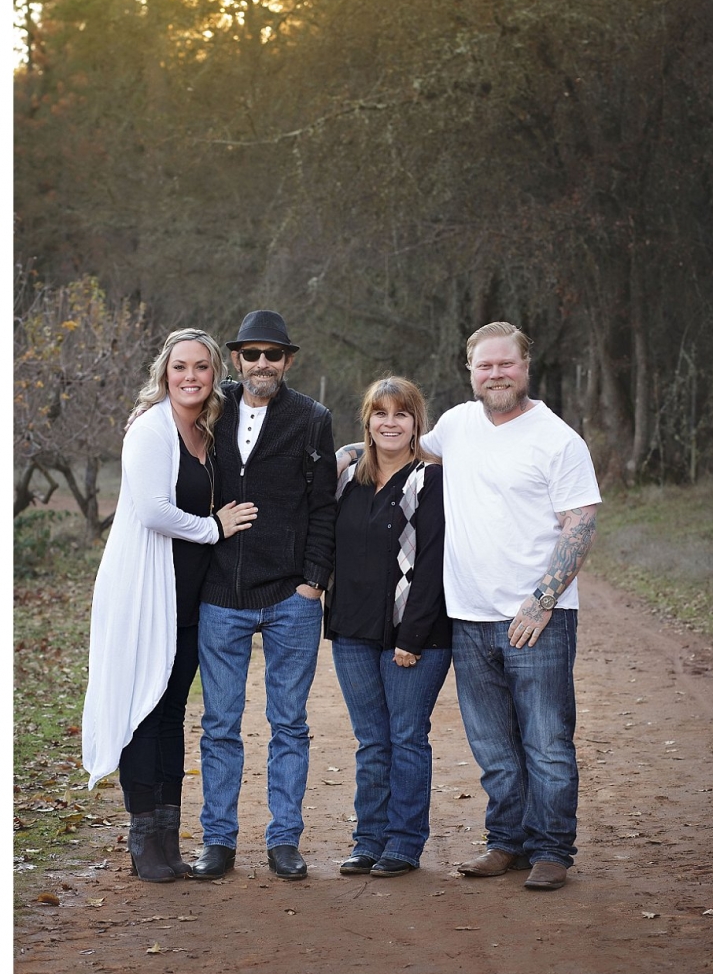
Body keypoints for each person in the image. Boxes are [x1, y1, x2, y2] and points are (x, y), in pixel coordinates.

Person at [338, 321, 600, 891]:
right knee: (493, 747)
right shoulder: (456, 425)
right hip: (468, 619)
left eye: (506, 364)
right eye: (485, 366)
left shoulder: (558, 439)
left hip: (537, 619)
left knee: (547, 742)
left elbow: (580, 524)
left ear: (525, 366)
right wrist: (342, 454)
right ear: (470, 371)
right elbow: (397, 445)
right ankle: (507, 843)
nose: (496, 374)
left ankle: (552, 849)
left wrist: (543, 599)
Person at [81, 329, 257, 882]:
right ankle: (144, 842)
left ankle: (168, 839)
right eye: (180, 366)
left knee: (173, 713)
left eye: (201, 368)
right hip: (143, 592)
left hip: (189, 602)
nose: (190, 376)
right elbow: (154, 510)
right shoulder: (150, 430)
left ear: (213, 376)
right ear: (165, 372)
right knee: (144, 713)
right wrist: (214, 527)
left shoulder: (206, 430)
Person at [190, 310, 337, 882]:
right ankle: (218, 842)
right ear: (236, 360)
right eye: (251, 355)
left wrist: (312, 582)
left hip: (289, 599)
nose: (262, 364)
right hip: (221, 593)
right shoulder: (213, 407)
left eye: (272, 355)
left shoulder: (311, 419)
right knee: (220, 724)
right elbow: (162, 419)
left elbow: (324, 506)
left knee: (289, 723)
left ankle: (284, 841)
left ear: (288, 361)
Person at [326, 377, 451, 877]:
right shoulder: (347, 479)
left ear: (417, 422)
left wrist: (411, 637)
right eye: (381, 414)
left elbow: (434, 560)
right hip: (351, 631)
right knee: (371, 741)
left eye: (401, 414)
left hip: (413, 635)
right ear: (368, 422)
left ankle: (403, 843)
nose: (390, 423)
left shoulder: (432, 480)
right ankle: (368, 840)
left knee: (406, 737)